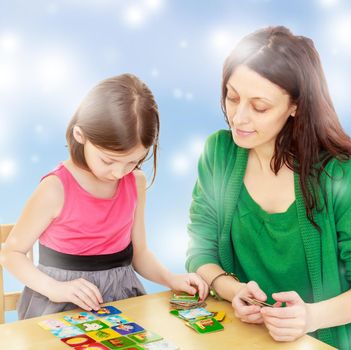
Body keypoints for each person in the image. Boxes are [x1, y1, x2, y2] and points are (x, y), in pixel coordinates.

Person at [185, 26, 351, 349]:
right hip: (264, 341)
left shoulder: (339, 173)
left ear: (295, 106)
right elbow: (200, 252)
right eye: (232, 96)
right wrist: (234, 290)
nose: (238, 117)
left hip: (345, 341)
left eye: (259, 106)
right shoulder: (219, 154)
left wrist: (310, 318)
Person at [0, 73, 208, 319]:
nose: (119, 172)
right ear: (81, 135)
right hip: (60, 305)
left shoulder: (135, 182)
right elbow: (11, 253)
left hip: (121, 302)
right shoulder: (55, 188)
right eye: (108, 160)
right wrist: (55, 289)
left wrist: (171, 278)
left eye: (133, 161)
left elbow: (139, 253)